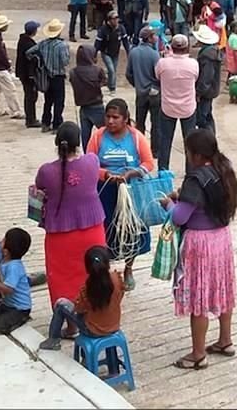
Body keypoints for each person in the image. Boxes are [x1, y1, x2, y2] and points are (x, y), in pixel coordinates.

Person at [158, 129, 237, 370]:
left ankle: (198, 354)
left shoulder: (194, 178)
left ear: (195, 154)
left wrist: (170, 204)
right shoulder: (223, 170)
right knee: (221, 290)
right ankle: (225, 341)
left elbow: (181, 217)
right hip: (221, 239)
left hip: (200, 244)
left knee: (199, 297)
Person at [34, 122, 108, 334]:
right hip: (92, 230)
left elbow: (39, 186)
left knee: (61, 277)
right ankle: (95, 318)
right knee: (93, 274)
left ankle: (71, 324)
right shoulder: (92, 162)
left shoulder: (47, 171)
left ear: (57, 143)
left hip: (60, 234)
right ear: (79, 143)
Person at [87, 99, 156, 290]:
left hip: (130, 191)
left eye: (115, 117)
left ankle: (128, 268)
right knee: (105, 231)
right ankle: (105, 271)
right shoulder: (98, 137)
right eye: (108, 117)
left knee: (131, 230)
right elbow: (89, 163)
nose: (110, 121)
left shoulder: (136, 137)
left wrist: (131, 173)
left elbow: (149, 163)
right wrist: (106, 174)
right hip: (104, 191)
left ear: (125, 119)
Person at [40, 245, 124, 351]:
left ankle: (53, 339)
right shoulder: (117, 279)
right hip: (114, 326)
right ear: (107, 264)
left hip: (93, 330)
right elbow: (120, 297)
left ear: (88, 268)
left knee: (61, 304)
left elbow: (79, 309)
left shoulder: (89, 287)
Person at [155, 34, 199, 171]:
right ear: (187, 47)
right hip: (188, 107)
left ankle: (163, 170)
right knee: (190, 142)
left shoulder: (163, 63)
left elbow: (157, 75)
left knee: (165, 141)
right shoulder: (193, 64)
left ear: (172, 47)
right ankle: (190, 172)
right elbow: (196, 78)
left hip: (168, 106)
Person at [0, 228, 33, 334]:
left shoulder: (14, 267)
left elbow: (8, 289)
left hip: (19, 309)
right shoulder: (3, 255)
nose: (0, 241)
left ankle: (22, 319)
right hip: (8, 304)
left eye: (3, 240)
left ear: (6, 251)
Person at [28, 19, 71, 133]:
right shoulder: (62, 45)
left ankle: (45, 123)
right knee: (59, 102)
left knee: (48, 101)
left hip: (46, 76)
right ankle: (57, 124)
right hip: (58, 76)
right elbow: (65, 61)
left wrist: (39, 62)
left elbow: (29, 52)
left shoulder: (43, 43)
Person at [126, 27, 162, 154]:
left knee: (140, 122)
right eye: (154, 35)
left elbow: (128, 74)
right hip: (154, 93)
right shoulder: (154, 54)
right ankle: (155, 150)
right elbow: (159, 75)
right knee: (156, 123)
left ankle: (139, 149)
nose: (156, 37)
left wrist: (137, 84)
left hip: (140, 92)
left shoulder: (133, 52)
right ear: (149, 38)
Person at [70, 46, 107, 152]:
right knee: (106, 134)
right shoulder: (98, 70)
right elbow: (104, 81)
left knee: (85, 137)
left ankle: (87, 157)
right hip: (97, 106)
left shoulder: (73, 72)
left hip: (83, 107)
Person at [0, 14, 24, 119]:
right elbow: (0, 54)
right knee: (10, 90)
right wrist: (7, 64)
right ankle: (16, 111)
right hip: (0, 68)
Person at [93, 11, 130, 95]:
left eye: (117, 18)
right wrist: (94, 55)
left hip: (115, 53)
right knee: (111, 70)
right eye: (114, 18)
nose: (116, 20)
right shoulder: (103, 30)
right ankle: (113, 88)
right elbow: (97, 43)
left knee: (113, 70)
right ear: (109, 20)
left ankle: (109, 84)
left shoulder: (121, 29)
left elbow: (125, 42)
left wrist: (128, 52)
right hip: (106, 52)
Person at [194, 25, 223, 133]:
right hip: (211, 89)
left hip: (206, 91)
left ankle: (207, 140)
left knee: (202, 118)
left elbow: (206, 77)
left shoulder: (207, 55)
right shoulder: (213, 51)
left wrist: (199, 92)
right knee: (208, 115)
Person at [16, 21, 42, 128]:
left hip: (23, 73)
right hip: (28, 75)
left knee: (30, 96)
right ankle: (30, 120)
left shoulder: (23, 40)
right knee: (31, 96)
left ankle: (30, 118)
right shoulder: (28, 44)